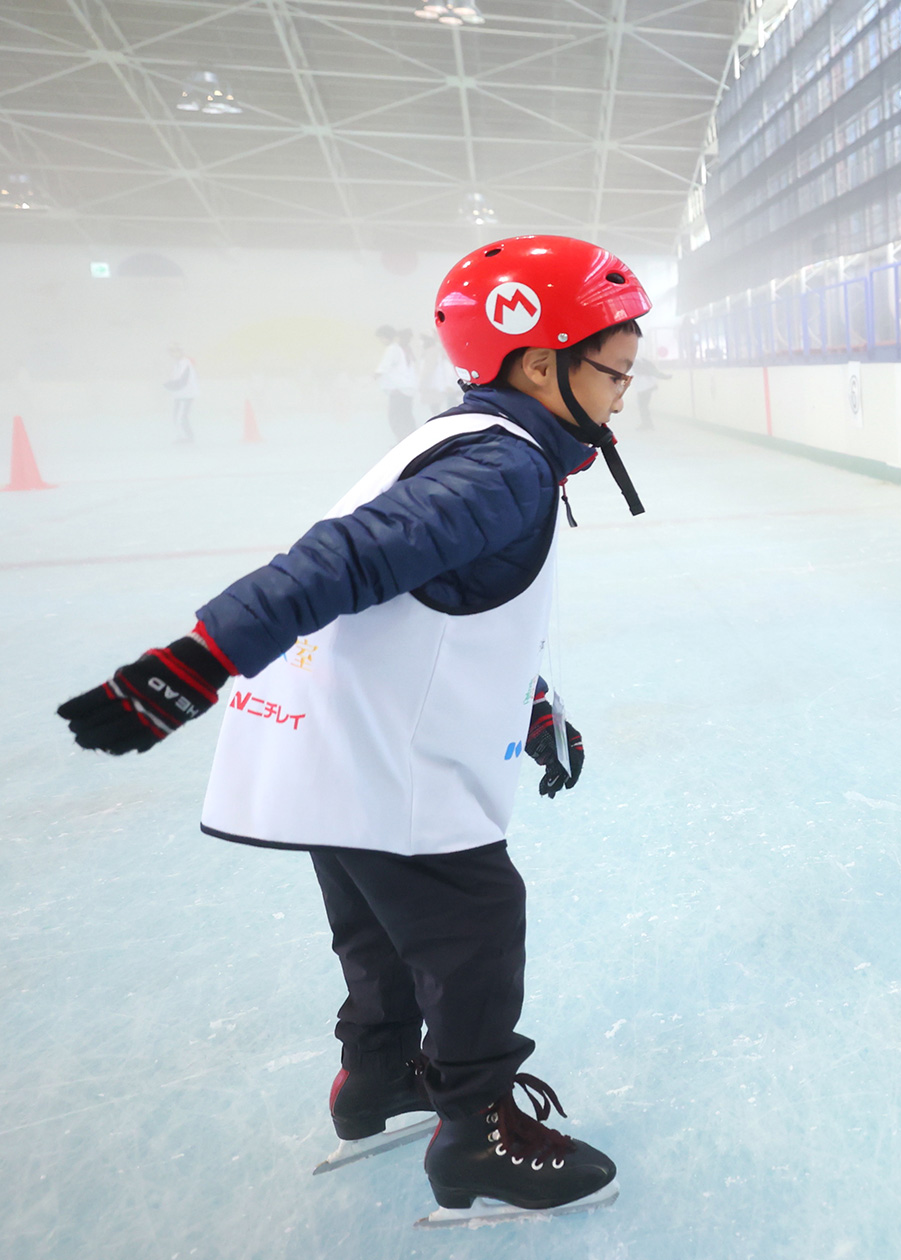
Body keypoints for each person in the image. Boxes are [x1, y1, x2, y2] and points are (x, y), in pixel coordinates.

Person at [57, 235, 651, 1226]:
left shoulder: (460, 442)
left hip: (322, 741)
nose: (625, 396)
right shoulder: (501, 470)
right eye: (615, 371)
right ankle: (478, 1135)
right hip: (387, 757)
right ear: (539, 361)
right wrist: (189, 664)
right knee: (473, 924)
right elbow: (347, 557)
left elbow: (462, 602)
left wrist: (534, 707)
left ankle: (376, 1084)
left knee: (377, 929)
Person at [375, 325, 416, 439]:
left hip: (398, 389)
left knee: (395, 417)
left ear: (386, 337)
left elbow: (383, 367)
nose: (381, 341)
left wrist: (374, 376)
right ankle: (411, 440)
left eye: (381, 338)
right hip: (408, 389)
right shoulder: (404, 349)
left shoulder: (393, 349)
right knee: (406, 415)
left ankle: (402, 441)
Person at [415, 329, 457, 418]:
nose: (421, 343)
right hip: (439, 387)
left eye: (422, 340)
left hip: (434, 387)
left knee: (437, 411)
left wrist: (422, 385)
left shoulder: (432, 351)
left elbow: (428, 370)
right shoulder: (436, 350)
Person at [163, 343, 198, 443]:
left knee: (181, 417)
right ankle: (183, 437)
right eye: (172, 352)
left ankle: (188, 438)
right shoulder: (177, 364)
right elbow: (176, 379)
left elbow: (182, 381)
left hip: (186, 394)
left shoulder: (185, 363)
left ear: (181, 352)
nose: (174, 354)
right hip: (179, 394)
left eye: (176, 351)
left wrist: (168, 386)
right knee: (177, 416)